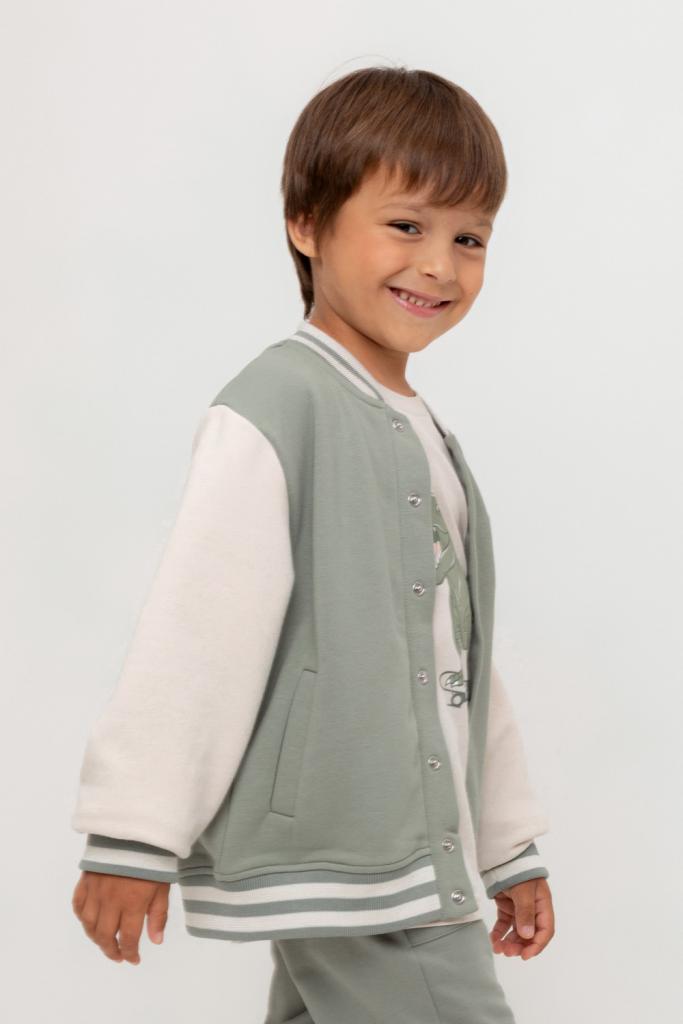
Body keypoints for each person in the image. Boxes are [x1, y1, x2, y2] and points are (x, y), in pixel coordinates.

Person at [71, 64, 556, 1022]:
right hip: (360, 852)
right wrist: (133, 831)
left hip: (397, 855)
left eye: (469, 238)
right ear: (306, 224)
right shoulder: (281, 405)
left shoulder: (420, 430)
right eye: (406, 225)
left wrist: (506, 845)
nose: (439, 264)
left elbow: (456, 656)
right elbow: (201, 625)